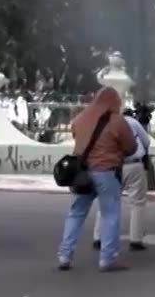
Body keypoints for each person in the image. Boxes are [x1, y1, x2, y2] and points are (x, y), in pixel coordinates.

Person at [56, 86, 137, 272]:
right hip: (106, 171)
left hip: (81, 173)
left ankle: (64, 255)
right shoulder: (117, 121)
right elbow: (131, 148)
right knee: (110, 214)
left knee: (76, 213)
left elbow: (76, 135)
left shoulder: (81, 118)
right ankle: (107, 258)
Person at [92, 103, 152, 254]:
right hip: (132, 165)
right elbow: (146, 142)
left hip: (110, 166)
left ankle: (99, 237)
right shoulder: (132, 122)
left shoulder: (102, 123)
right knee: (137, 202)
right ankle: (136, 239)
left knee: (107, 202)